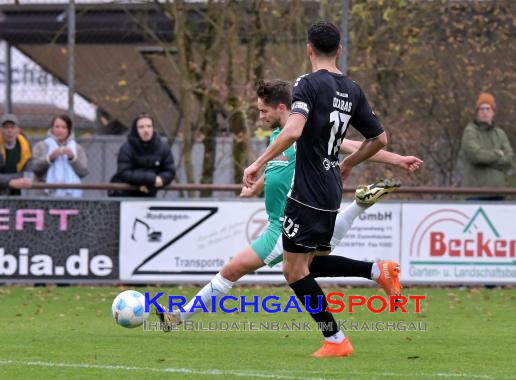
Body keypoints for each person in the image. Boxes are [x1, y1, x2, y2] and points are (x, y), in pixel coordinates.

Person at [157, 79, 423, 340]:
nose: (260, 117)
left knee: (233, 270)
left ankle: (178, 317)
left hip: (286, 223)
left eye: (264, 111)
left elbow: (356, 146)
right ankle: (375, 267)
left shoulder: (305, 134)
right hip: (283, 221)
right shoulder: (280, 138)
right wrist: (256, 186)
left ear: (282, 108)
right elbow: (279, 168)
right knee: (308, 267)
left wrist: (398, 159)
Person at [243, 21, 398, 357]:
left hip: (308, 189)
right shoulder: (353, 89)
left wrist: (258, 162)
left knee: (293, 270)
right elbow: (379, 139)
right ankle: (376, 271)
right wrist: (350, 164)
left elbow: (294, 130)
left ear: (309, 48)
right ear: (339, 49)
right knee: (307, 263)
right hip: (331, 189)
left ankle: (335, 339)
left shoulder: (308, 84)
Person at [459, 92, 513, 201]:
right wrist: (498, 153)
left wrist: (487, 159)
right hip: (475, 194)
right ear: (477, 112)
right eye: (481, 109)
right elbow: (477, 157)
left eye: (488, 109)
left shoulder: (500, 133)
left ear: (493, 112)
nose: (485, 112)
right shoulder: (470, 132)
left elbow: (509, 159)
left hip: (498, 193)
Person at [108, 114, 175, 197]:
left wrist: (161, 179)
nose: (146, 130)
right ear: (135, 130)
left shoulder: (163, 148)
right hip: (125, 195)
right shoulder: (126, 148)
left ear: (153, 128)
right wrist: (149, 180)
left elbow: (170, 170)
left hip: (149, 195)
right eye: (141, 127)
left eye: (149, 126)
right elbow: (124, 173)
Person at [32, 114, 88, 198]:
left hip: (72, 197)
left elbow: (83, 172)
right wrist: (50, 158)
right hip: (46, 195)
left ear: (69, 130)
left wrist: (73, 158)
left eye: (64, 127)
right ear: (52, 128)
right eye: (57, 127)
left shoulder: (77, 148)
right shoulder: (41, 146)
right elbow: (35, 168)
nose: (60, 130)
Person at [0, 113, 33, 195]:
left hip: (19, 191)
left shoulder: (26, 146)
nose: (9, 131)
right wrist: (10, 182)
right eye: (6, 127)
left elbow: (28, 173)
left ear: (18, 130)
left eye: (12, 127)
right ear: (0, 130)